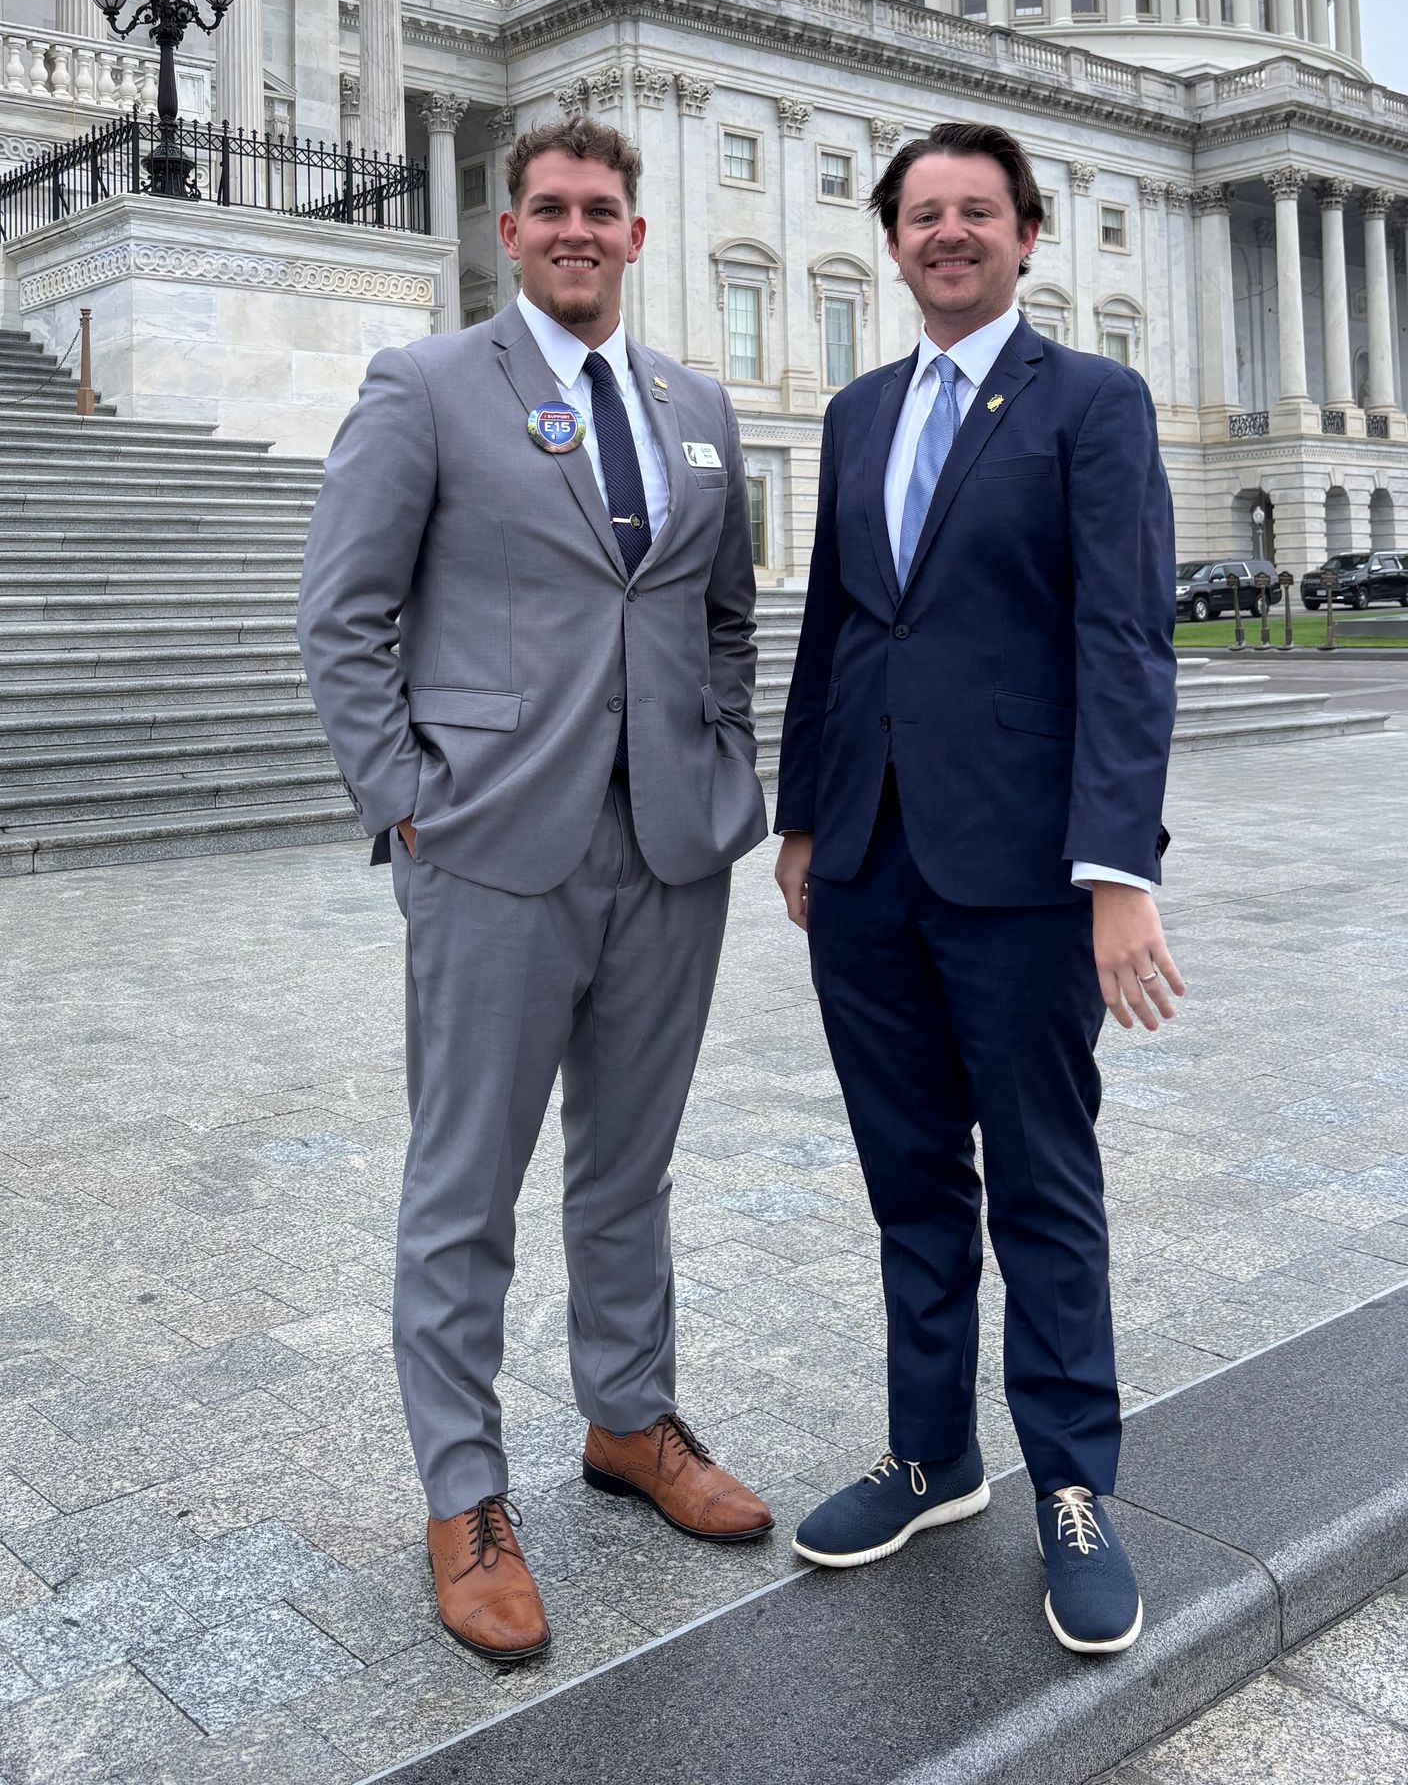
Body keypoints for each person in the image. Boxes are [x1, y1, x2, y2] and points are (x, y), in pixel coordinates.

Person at [298, 114, 774, 1667]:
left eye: (604, 210)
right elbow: (343, 618)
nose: (578, 229)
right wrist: (409, 808)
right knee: (464, 1192)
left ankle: (630, 1422)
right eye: (551, 208)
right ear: (510, 232)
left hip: (668, 855)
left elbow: (717, 618)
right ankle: (465, 1496)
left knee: (627, 1172)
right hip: (494, 853)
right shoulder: (426, 389)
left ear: (639, 235)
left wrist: (720, 772)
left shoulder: (696, 407)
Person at [773, 119, 1180, 1656]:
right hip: (868, 863)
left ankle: (1074, 1484)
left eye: (976, 212)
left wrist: (1117, 871)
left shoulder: (1093, 401)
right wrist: (803, 817)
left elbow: (1124, 644)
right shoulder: (861, 410)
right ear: (892, 243)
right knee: (910, 1180)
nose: (948, 234)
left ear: (1025, 237)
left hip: (1020, 871)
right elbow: (836, 630)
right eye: (923, 214)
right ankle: (932, 1451)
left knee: (1043, 1185)